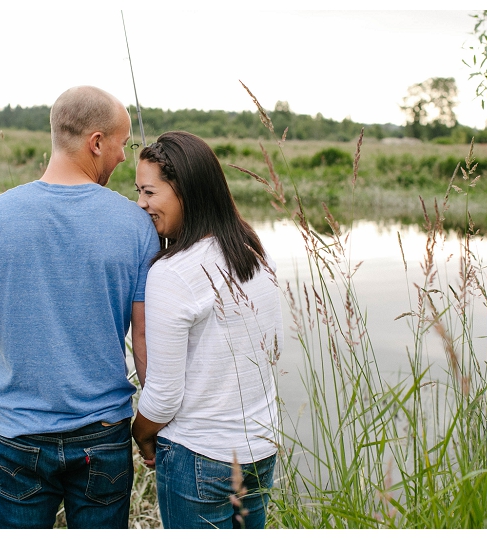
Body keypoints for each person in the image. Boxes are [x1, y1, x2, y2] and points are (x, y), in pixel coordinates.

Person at [0, 86, 160, 529]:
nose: (123, 158)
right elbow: (143, 340)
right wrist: (151, 426)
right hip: (104, 435)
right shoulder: (137, 224)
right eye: (120, 145)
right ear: (96, 142)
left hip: (20, 435)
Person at [131, 131, 284, 529]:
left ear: (187, 192)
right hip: (258, 450)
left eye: (149, 192)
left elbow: (163, 397)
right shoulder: (252, 253)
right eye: (139, 192)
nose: (141, 204)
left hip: (199, 458)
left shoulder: (171, 273)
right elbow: (271, 352)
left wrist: (141, 432)